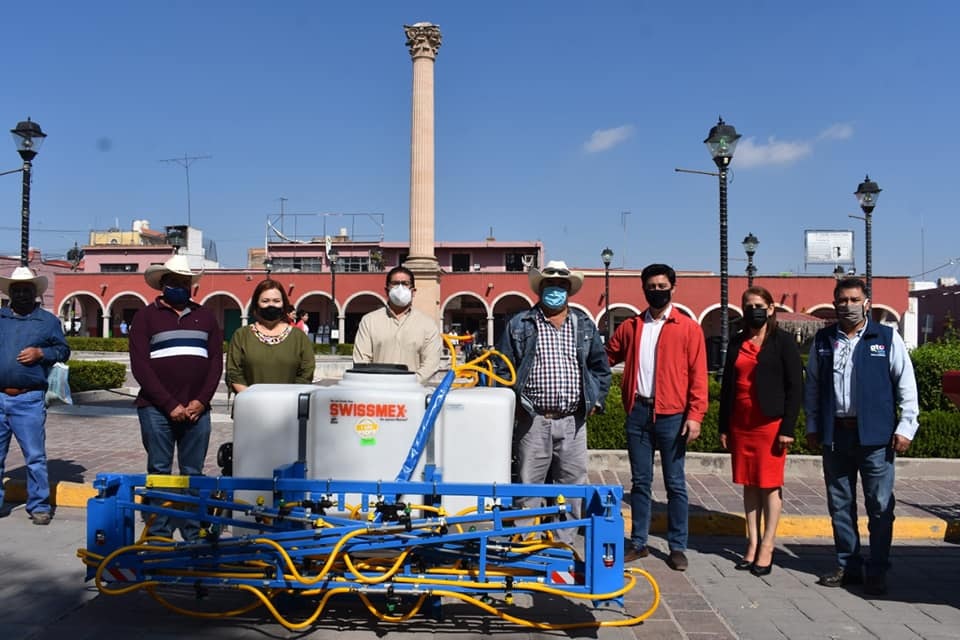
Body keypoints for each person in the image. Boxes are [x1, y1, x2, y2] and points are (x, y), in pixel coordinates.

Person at [805, 277, 919, 596]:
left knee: (880, 505)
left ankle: (878, 568)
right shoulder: (825, 340)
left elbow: (906, 385)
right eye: (842, 300)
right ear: (834, 302)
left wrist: (906, 427)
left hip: (876, 439)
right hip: (835, 436)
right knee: (840, 504)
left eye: (855, 299)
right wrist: (813, 425)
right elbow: (813, 385)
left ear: (866, 302)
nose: (848, 305)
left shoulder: (886, 337)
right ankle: (848, 564)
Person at [495, 260, 611, 544]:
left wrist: (595, 400)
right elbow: (501, 369)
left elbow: (600, 367)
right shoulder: (520, 324)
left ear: (569, 290)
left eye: (561, 286)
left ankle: (563, 544)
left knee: (571, 487)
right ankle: (524, 542)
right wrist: (513, 406)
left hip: (573, 421)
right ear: (540, 289)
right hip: (533, 419)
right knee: (528, 486)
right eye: (550, 285)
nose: (555, 290)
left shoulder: (582, 324)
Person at [606, 263, 708, 571]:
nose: (657, 291)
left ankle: (677, 547)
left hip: (673, 415)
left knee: (675, 483)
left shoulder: (688, 327)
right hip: (638, 412)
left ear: (673, 288)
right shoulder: (632, 326)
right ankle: (639, 543)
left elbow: (698, 375)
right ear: (644, 289)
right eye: (651, 286)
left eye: (662, 286)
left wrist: (696, 415)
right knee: (640, 482)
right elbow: (606, 356)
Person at [129, 254, 223, 541]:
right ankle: (160, 532)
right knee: (159, 469)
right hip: (156, 410)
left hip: (198, 410)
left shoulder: (206, 317)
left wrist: (201, 401)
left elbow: (215, 363)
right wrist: (170, 404)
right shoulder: (145, 317)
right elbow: (141, 367)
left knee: (193, 471)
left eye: (185, 282)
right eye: (174, 282)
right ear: (162, 284)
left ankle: (193, 531)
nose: (180, 287)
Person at [718, 286, 803, 576]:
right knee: (749, 485)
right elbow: (727, 386)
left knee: (769, 485)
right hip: (741, 423)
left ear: (769, 308)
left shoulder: (784, 342)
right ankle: (752, 544)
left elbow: (796, 388)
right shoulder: (736, 342)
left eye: (758, 304)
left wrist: (788, 428)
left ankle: (768, 546)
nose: (752, 309)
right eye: (747, 304)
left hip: (770, 424)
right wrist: (723, 426)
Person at [0, 267, 70, 524]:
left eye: (26, 289)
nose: (21, 294)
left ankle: (39, 505)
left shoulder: (48, 321)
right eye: (16, 289)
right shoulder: (0, 318)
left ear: (35, 293)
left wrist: (42, 353)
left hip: (28, 400)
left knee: (35, 456)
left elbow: (63, 351)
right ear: (9, 293)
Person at [353, 266, 442, 384]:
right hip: (376, 391)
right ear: (386, 290)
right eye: (395, 284)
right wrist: (377, 382)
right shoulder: (369, 321)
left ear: (413, 291)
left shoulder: (427, 324)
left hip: (412, 392)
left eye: (405, 284)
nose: (400, 288)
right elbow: (361, 360)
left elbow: (431, 363)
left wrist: (409, 383)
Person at [226, 280, 315, 392]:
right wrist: (251, 397)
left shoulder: (299, 337)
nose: (271, 305)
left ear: (283, 304)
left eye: (276, 301)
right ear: (256, 304)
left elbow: (306, 372)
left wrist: (285, 398)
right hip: (250, 405)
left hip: (289, 404)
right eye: (265, 301)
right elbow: (234, 373)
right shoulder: (241, 336)